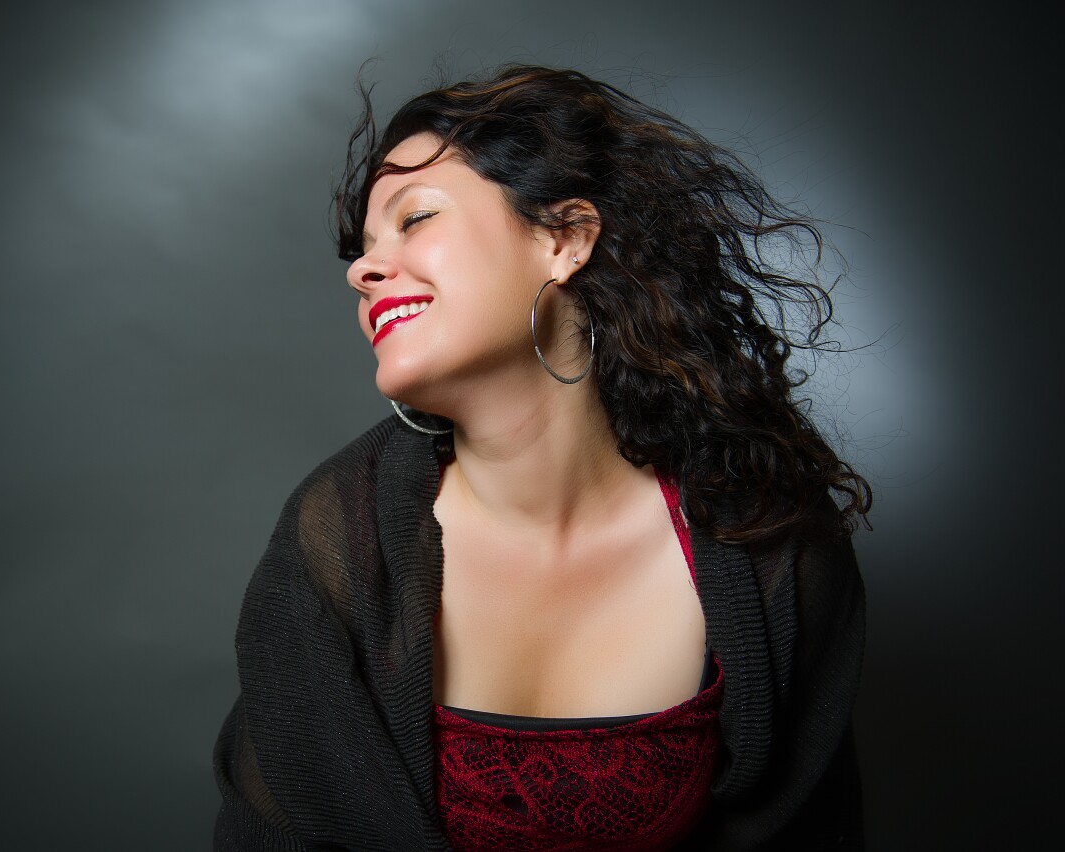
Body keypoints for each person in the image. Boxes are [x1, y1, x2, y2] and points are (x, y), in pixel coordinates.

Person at [213, 65, 871, 851]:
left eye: (414, 217)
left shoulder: (765, 542)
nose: (362, 269)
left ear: (564, 238)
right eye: (362, 249)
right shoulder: (334, 543)